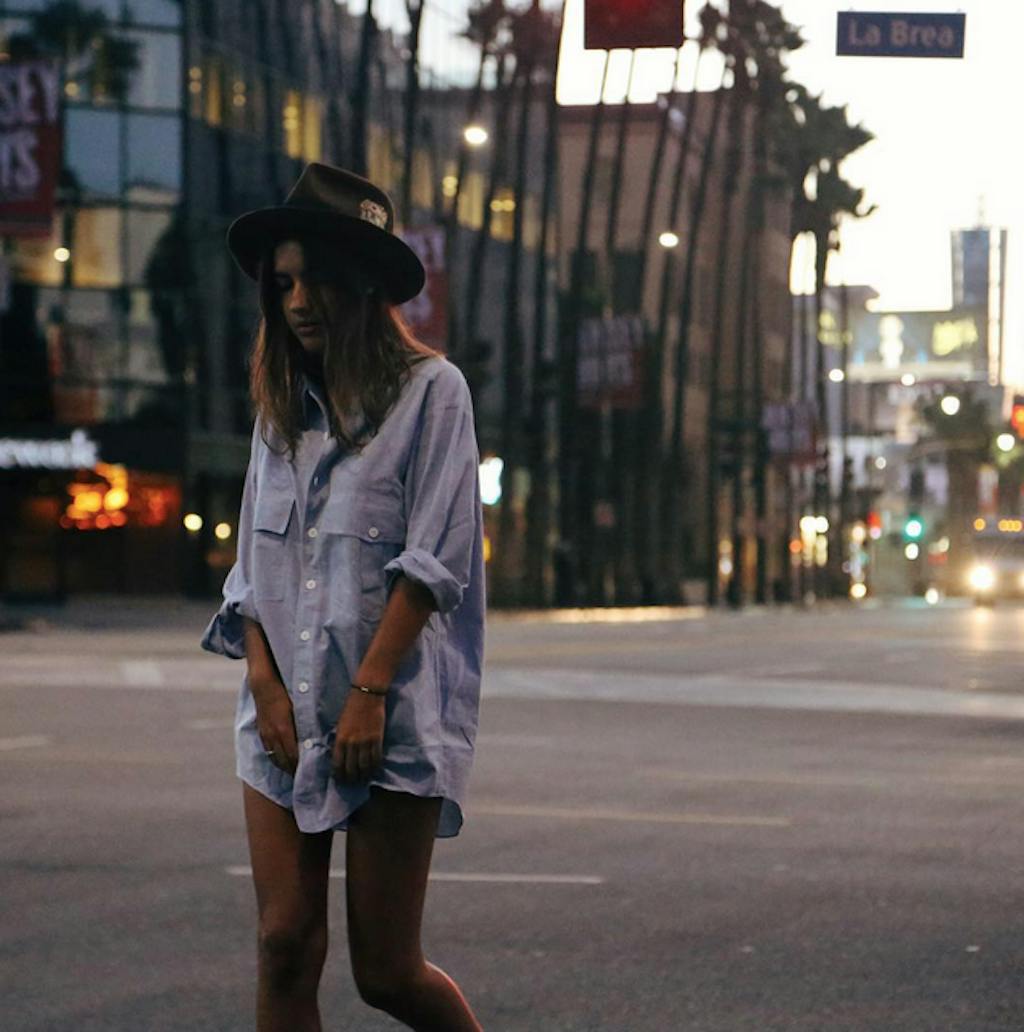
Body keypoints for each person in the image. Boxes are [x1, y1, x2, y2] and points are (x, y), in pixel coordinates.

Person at [201, 163, 485, 1032]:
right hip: (282, 714)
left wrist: (368, 692)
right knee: (284, 943)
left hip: (387, 715)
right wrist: (262, 684)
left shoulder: (433, 394)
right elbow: (250, 572)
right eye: (283, 283)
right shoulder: (280, 411)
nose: (297, 302)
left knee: (387, 974)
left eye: (315, 280)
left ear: (362, 283)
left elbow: (433, 564)